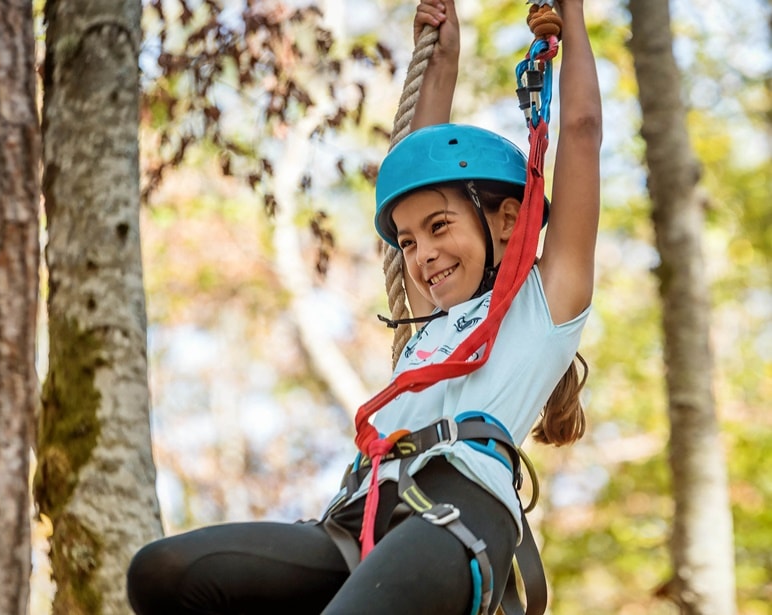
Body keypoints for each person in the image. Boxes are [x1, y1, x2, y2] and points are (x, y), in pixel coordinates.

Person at [126, 0, 601, 613]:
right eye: (407, 241)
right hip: (360, 522)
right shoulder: (425, 334)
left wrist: (575, 17)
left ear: (509, 221)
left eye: (439, 227)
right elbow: (417, 160)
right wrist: (442, 60)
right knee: (163, 573)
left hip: (458, 517)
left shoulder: (542, 308)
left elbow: (583, 131)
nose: (422, 254)